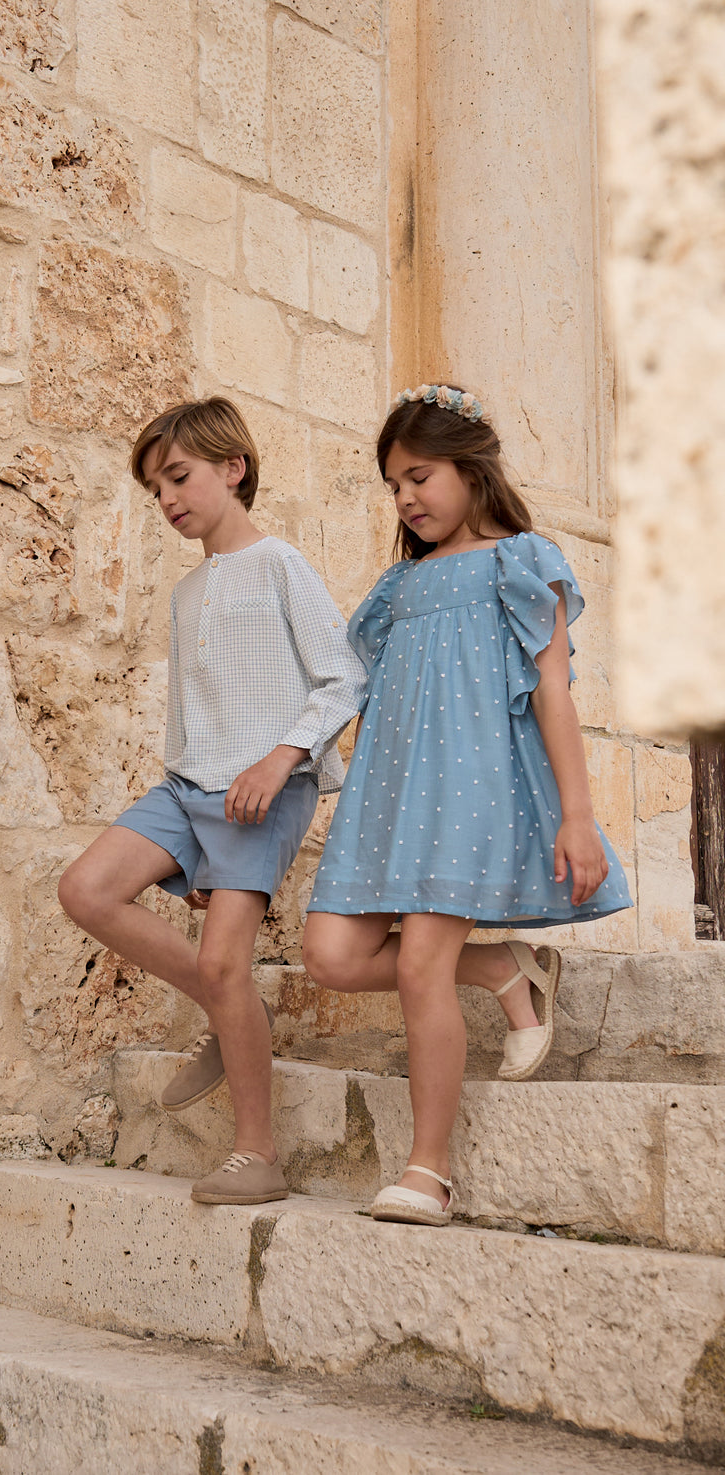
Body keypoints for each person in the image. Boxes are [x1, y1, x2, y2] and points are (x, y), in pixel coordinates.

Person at [302, 383, 632, 1227]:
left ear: (470, 466)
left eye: (419, 475)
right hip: (394, 795)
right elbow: (376, 695)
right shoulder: (396, 589)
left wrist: (578, 812)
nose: (406, 498)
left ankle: (429, 1170)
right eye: (394, 486)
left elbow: (554, 692)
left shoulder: (523, 562)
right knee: (332, 955)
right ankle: (500, 968)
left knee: (417, 963)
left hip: (472, 789)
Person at [58, 397, 366, 1205]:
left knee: (230, 959)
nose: (167, 498)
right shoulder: (187, 592)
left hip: (262, 793)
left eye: (180, 477)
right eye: (156, 487)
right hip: (188, 787)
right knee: (85, 889)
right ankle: (223, 1010)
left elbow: (346, 676)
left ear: (233, 469)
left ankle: (257, 1152)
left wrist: (281, 756)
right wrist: (183, 846)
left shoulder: (280, 564)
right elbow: (184, 713)